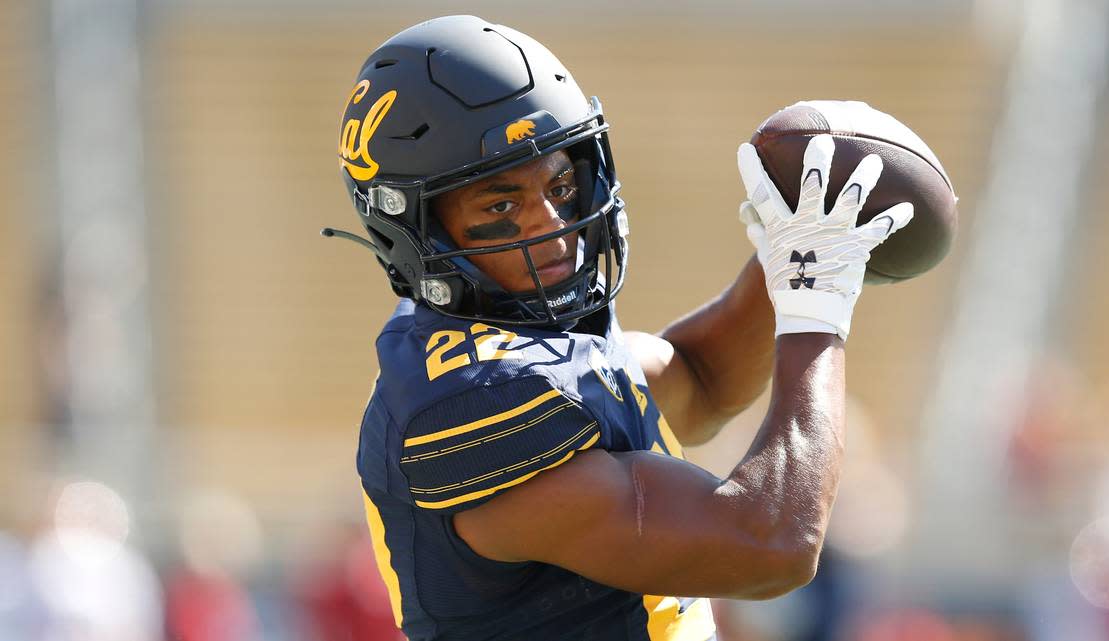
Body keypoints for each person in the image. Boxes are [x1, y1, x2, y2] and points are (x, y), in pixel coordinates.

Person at [327, 14, 912, 641]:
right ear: (417, 230)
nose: (551, 225)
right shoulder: (476, 400)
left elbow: (700, 383)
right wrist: (815, 305)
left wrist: (790, 247)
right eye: (501, 205)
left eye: (561, 184)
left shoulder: (514, 337)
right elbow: (770, 541)